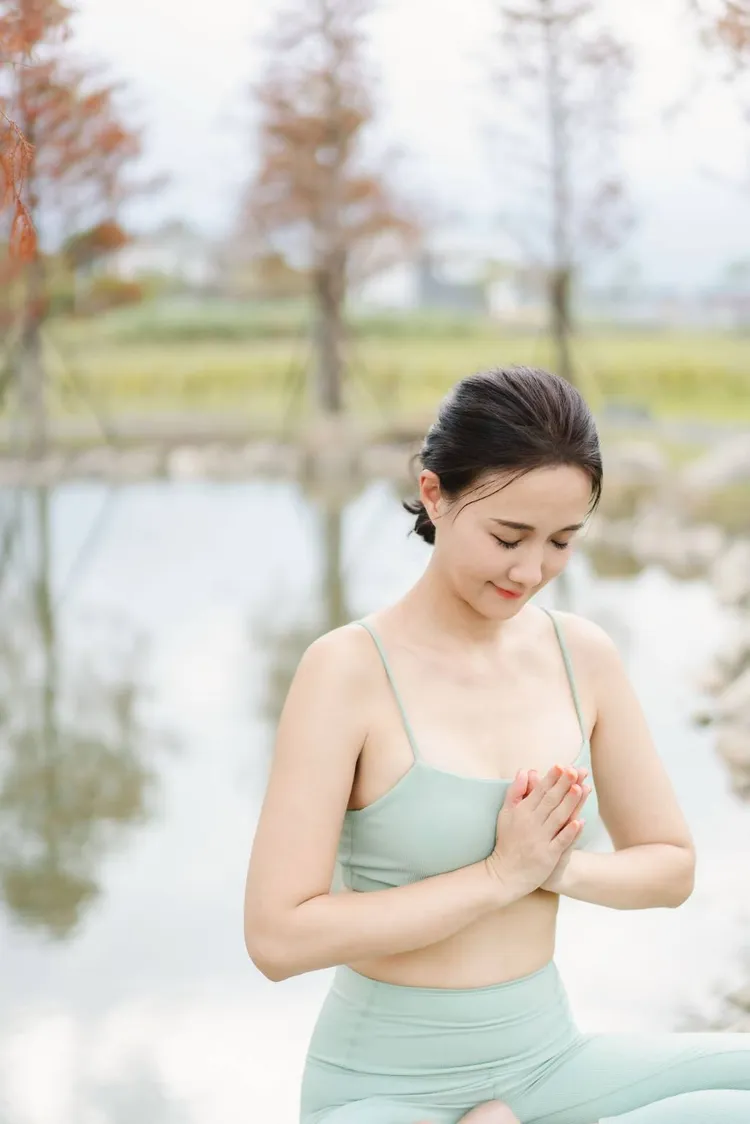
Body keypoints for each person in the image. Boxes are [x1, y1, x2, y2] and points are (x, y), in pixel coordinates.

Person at [244, 366, 750, 1124]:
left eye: (561, 542)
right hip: (384, 1087)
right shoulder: (345, 671)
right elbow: (277, 937)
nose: (530, 570)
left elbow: (669, 868)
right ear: (436, 494)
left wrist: (558, 869)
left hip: (547, 1060)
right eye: (507, 536)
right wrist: (497, 877)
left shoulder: (585, 656)